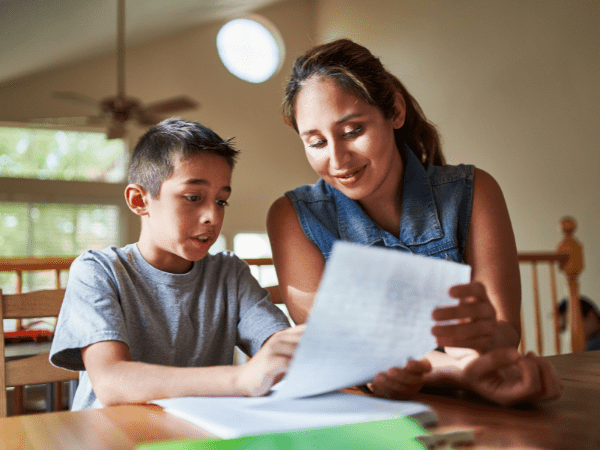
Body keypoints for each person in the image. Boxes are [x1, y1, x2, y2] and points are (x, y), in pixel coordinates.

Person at [267, 39, 561, 405]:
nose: (338, 159)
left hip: (475, 407)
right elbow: (338, 351)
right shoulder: (293, 217)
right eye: (316, 142)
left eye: (353, 131)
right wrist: (460, 372)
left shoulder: (474, 192)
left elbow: (504, 334)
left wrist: (482, 339)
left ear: (395, 111)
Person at [50, 119, 304, 410]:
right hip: (112, 435)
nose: (212, 216)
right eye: (193, 197)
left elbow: (279, 346)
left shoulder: (229, 273)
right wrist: (239, 379)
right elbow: (110, 381)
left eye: (221, 201)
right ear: (139, 200)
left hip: (197, 433)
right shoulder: (97, 270)